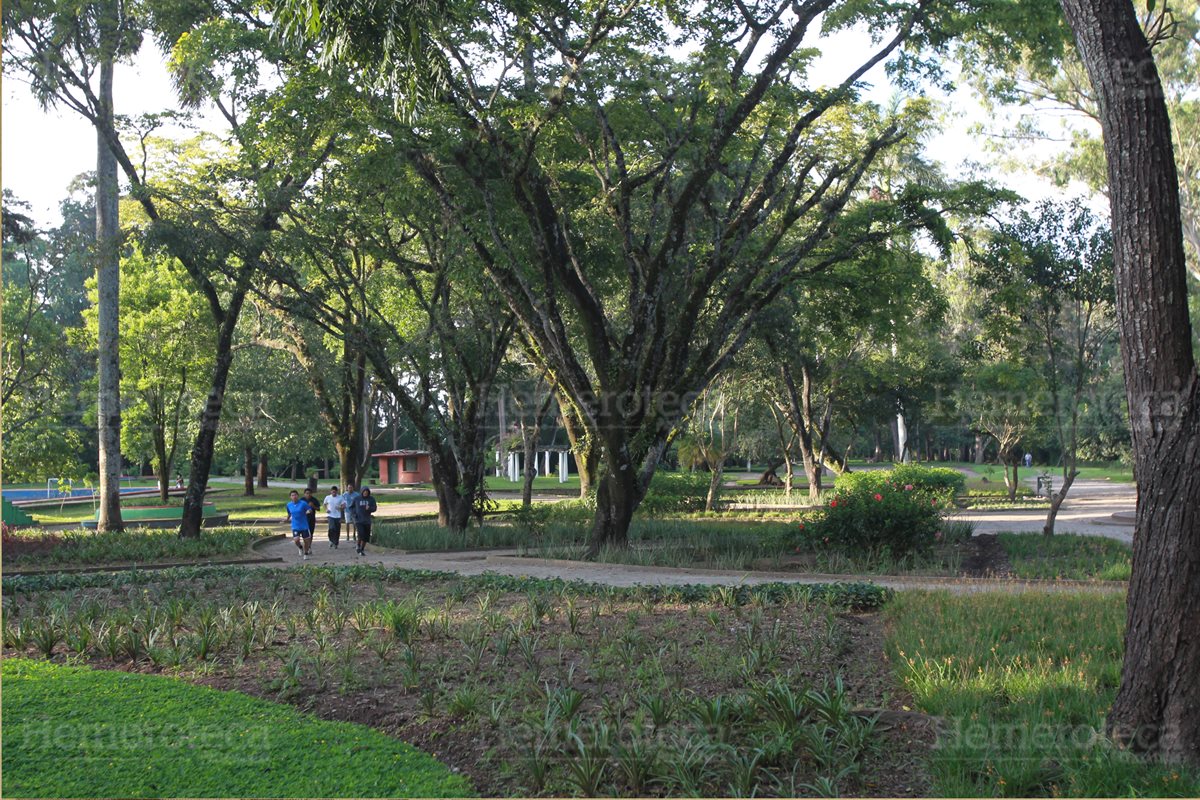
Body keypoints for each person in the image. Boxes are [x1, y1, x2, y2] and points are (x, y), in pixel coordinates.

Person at [283, 490, 312, 560]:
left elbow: (309, 509)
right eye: (292, 495)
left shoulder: (303, 503)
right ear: (290, 497)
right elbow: (289, 513)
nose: (294, 496)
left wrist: (308, 511)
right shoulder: (289, 505)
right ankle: (300, 547)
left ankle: (305, 554)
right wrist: (286, 519)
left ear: (298, 496)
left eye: (295, 495)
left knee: (306, 540)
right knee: (296, 540)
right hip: (295, 525)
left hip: (304, 525)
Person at [355, 486, 378, 556]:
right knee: (361, 534)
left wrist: (369, 508)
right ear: (362, 492)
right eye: (364, 492)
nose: (365, 493)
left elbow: (374, 508)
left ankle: (362, 549)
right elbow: (351, 507)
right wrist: (354, 514)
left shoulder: (371, 499)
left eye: (367, 492)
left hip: (367, 520)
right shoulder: (357, 499)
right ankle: (358, 545)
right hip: (359, 520)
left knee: (366, 536)